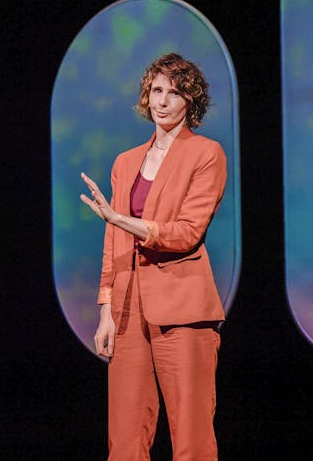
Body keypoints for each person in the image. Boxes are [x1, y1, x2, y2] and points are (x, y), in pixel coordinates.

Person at [80, 53, 226, 460]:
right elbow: (114, 241)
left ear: (190, 102)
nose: (162, 101)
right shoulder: (126, 162)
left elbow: (187, 234)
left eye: (174, 93)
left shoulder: (206, 153)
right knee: (125, 438)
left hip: (182, 308)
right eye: (157, 90)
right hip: (128, 311)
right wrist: (106, 310)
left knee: (192, 438)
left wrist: (122, 219)